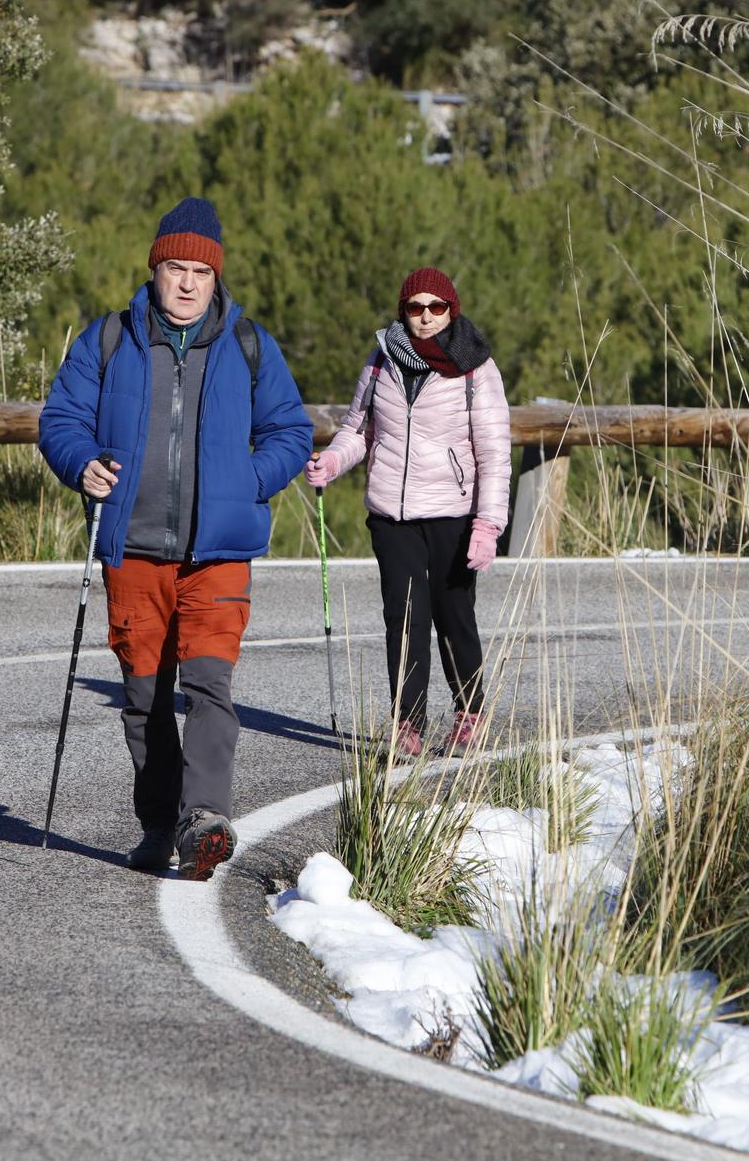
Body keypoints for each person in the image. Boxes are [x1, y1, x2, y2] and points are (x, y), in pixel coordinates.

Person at [38, 197, 312, 879]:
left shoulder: (250, 345)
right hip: (132, 548)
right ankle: (161, 823)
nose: (187, 283)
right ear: (154, 269)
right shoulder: (109, 338)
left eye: (201, 271)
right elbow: (61, 417)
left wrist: (248, 480)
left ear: (217, 279)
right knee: (143, 698)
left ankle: (204, 817)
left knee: (211, 686)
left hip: (217, 553)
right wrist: (82, 462)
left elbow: (292, 432)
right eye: (175, 268)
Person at [305, 267, 512, 754]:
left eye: (436, 307)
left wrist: (488, 523)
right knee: (403, 619)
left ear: (450, 310)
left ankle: (469, 714)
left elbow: (495, 452)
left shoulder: (476, 368)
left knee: (453, 613)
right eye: (416, 307)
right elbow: (359, 430)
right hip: (390, 514)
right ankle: (408, 723)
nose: (425, 317)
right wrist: (334, 460)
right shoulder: (381, 363)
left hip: (453, 512)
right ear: (404, 311)